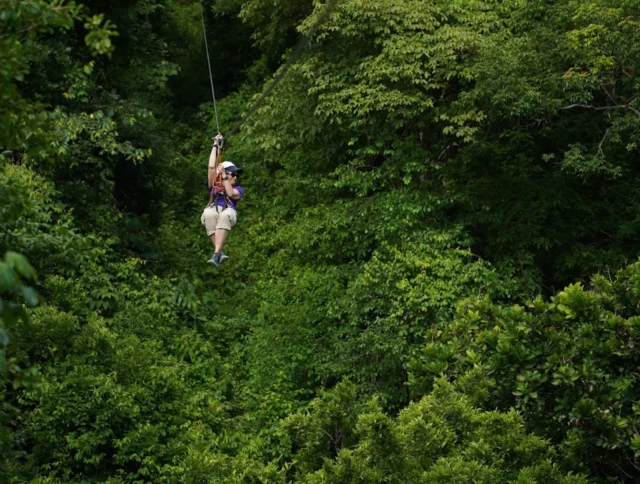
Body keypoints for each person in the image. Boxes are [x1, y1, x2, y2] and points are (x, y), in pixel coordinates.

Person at [201, 138, 244, 266]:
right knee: (208, 214)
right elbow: (210, 167)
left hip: (228, 211)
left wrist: (224, 176)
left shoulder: (238, 189)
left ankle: (216, 254)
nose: (235, 177)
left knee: (225, 216)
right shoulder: (213, 185)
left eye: (236, 175)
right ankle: (219, 253)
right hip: (214, 209)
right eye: (233, 174)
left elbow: (230, 194)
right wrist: (215, 145)